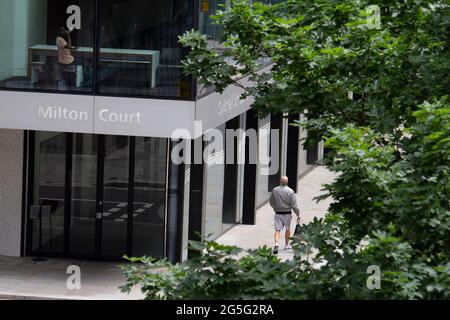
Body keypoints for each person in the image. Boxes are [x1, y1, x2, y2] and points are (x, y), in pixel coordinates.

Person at [269, 176, 300, 254]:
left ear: (280, 181)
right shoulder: (290, 191)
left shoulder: (274, 190)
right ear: (287, 182)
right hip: (287, 213)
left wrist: (275, 208)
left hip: (278, 213)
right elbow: (294, 205)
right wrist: (298, 214)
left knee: (277, 229)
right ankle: (286, 245)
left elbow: (271, 202)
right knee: (287, 229)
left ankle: (276, 243)